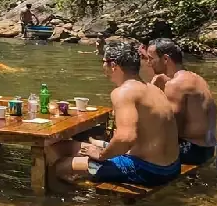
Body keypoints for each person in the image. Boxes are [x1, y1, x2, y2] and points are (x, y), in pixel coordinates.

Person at [45, 41, 180, 186]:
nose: (103, 66)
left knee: (61, 166)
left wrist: (101, 155)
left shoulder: (123, 92)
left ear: (113, 65)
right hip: (171, 166)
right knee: (63, 147)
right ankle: (87, 184)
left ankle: (67, 203)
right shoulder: (153, 89)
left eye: (103, 62)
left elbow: (126, 138)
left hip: (149, 171)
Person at [142, 38, 217, 165]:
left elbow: (171, 127)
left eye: (151, 58)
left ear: (165, 59)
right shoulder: (193, 77)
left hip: (191, 151)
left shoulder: (176, 84)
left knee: (133, 147)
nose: (148, 63)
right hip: (207, 148)